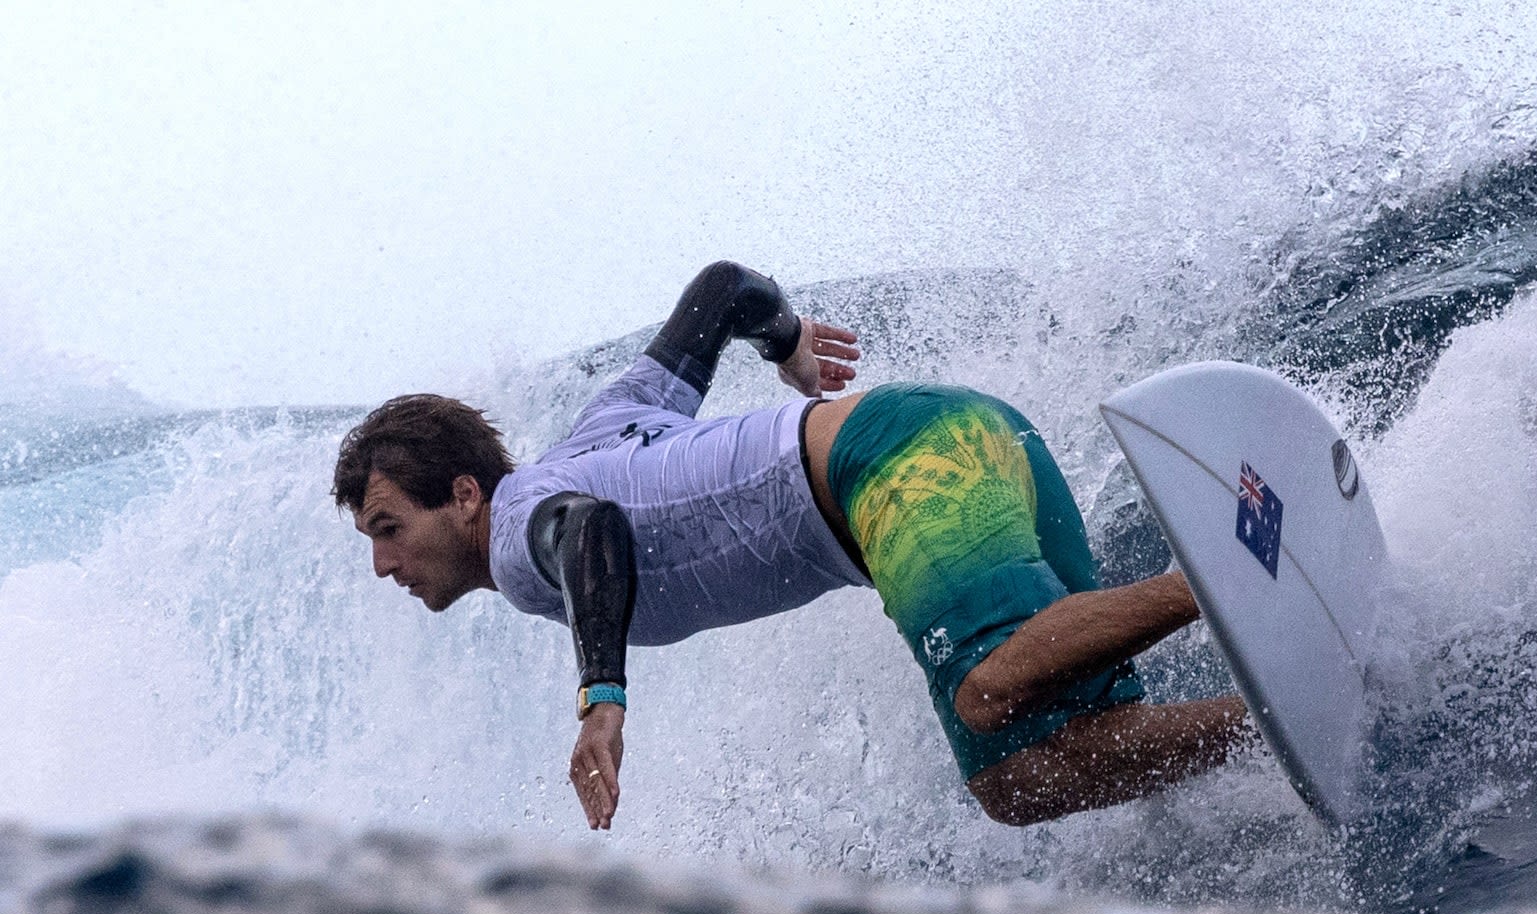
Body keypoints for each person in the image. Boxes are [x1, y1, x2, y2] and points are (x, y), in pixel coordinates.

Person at [333, 262, 1251, 830]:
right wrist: (789, 342)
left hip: (897, 468)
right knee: (1018, 774)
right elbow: (722, 290)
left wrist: (602, 702)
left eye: (389, 529)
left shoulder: (518, 546)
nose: (384, 564)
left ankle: (1227, 568)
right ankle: (1265, 723)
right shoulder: (603, 424)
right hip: (967, 434)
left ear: (463, 497)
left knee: (988, 693)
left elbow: (592, 533)